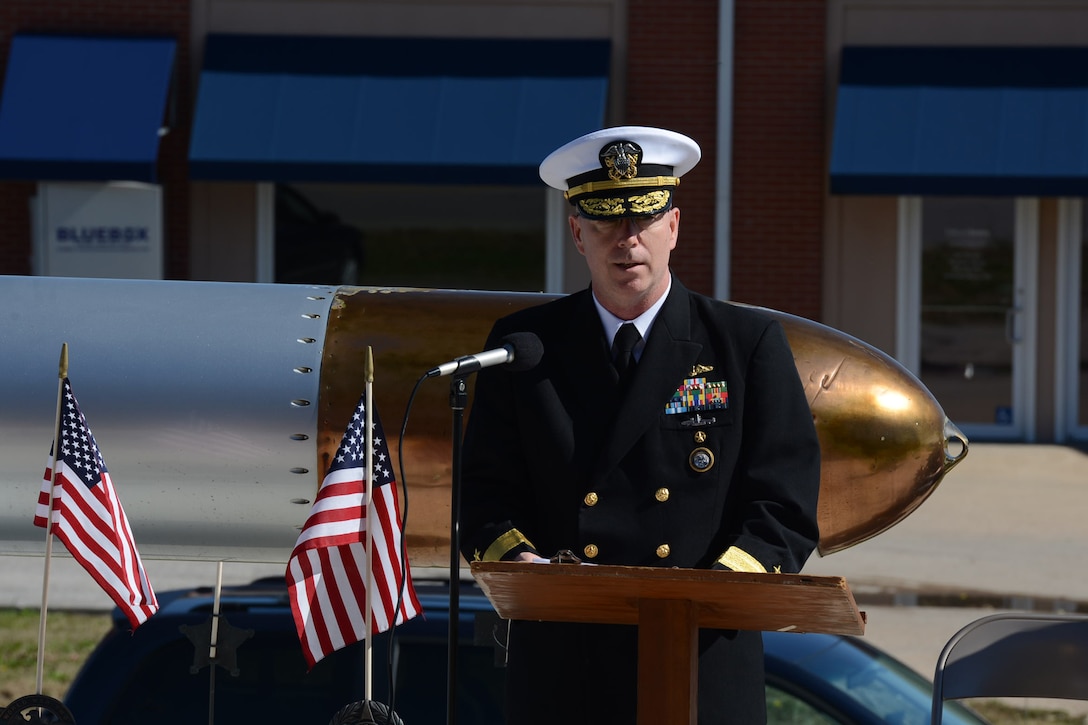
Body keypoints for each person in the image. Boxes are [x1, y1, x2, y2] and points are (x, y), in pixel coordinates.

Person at [458, 126, 821, 723]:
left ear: (673, 227)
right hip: (566, 659)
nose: (626, 242)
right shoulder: (527, 346)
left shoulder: (743, 343)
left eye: (643, 221)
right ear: (577, 233)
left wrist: (714, 592)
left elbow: (784, 504)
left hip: (700, 656)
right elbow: (484, 493)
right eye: (605, 223)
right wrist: (521, 565)